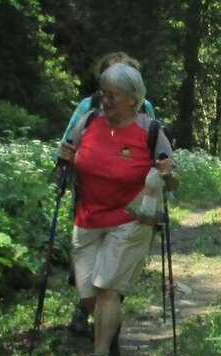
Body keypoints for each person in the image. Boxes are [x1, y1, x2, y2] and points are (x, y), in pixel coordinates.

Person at [58, 61, 179, 356]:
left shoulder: (151, 131)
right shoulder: (88, 122)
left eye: (112, 95)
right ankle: (109, 332)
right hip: (87, 219)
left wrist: (168, 174)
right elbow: (70, 168)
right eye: (103, 93)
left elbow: (173, 181)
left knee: (107, 288)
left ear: (132, 99)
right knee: (88, 294)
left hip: (130, 220)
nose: (105, 99)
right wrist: (65, 160)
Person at [62, 52, 155, 338]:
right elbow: (68, 142)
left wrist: (155, 197)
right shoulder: (88, 108)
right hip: (89, 199)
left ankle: (105, 326)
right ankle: (88, 311)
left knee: (112, 272)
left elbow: (155, 151)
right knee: (88, 267)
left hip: (129, 206)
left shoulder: (145, 110)